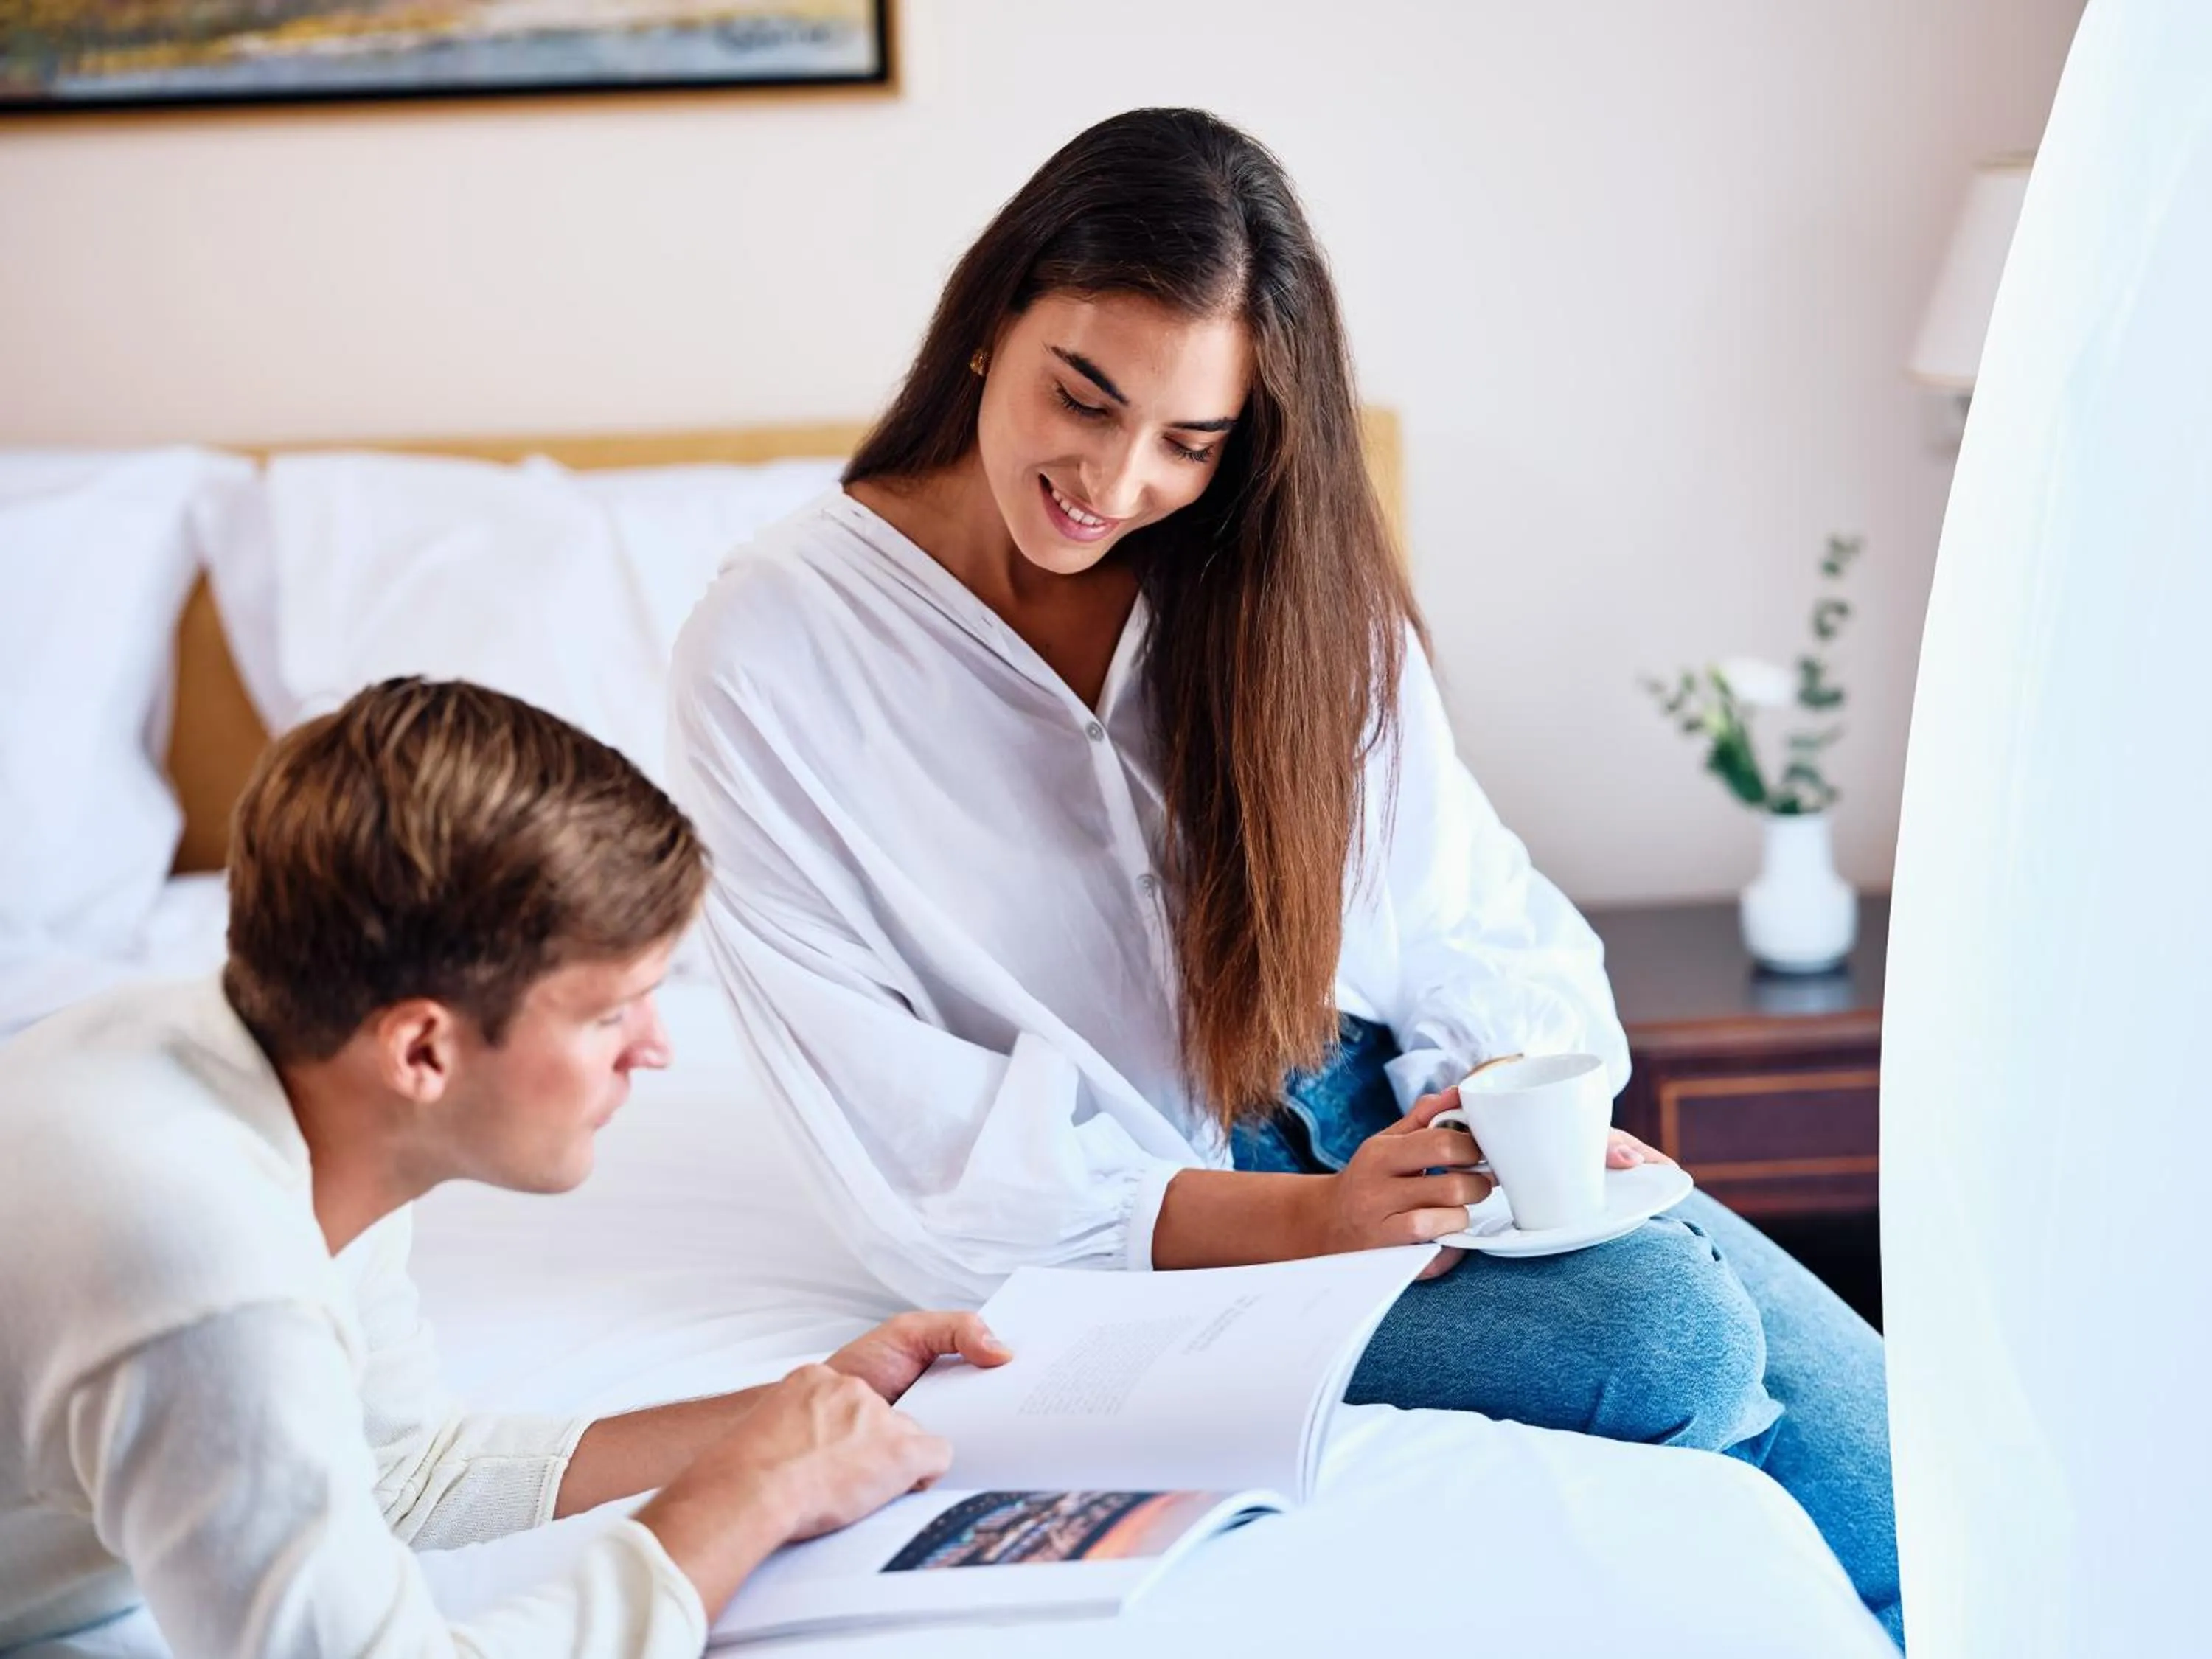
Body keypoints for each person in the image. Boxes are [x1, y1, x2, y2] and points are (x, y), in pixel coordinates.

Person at [665, 106, 1902, 1645]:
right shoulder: (777, 647)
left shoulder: (1277, 572)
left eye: (1192, 440)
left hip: (1399, 1126)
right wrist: (1319, 1223)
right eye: (1085, 396)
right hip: (1173, 1218)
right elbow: (911, 1162)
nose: (1115, 480)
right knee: (1664, 1345)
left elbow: (1461, 906)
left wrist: (1510, 1106)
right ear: (993, 324)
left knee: (1932, 1490)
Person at [0, 678, 1009, 1658]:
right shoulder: (206, 1266)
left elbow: (401, 1472)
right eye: (610, 1011)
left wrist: (790, 1408)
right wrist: (751, 1495)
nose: (654, 1047)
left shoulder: (285, 1084)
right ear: (422, 1051)